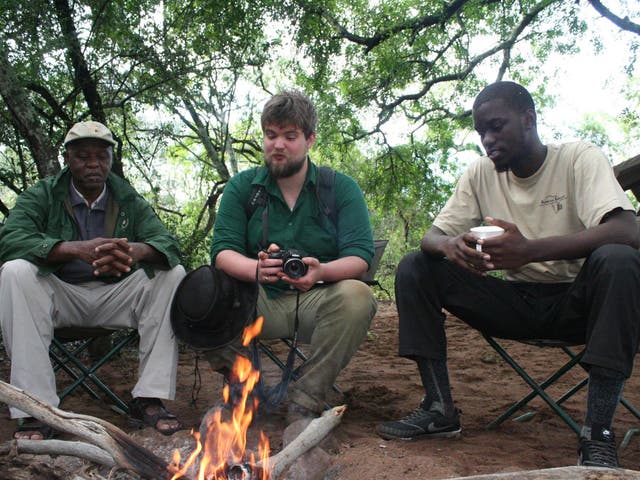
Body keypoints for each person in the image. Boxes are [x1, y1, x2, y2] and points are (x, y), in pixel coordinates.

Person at [376, 81, 640, 468]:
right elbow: (431, 235)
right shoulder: (480, 173)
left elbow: (628, 231)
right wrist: (452, 247)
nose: (488, 139)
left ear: (529, 120)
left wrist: (529, 250)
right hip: (515, 302)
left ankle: (597, 433)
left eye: (497, 126)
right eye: (482, 131)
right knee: (416, 265)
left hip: (583, 305)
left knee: (618, 259)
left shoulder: (578, 158)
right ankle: (438, 408)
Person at [0, 121, 186, 439]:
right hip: (60, 296)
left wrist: (134, 251)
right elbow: (10, 239)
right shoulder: (43, 195)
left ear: (110, 160)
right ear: (67, 159)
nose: (93, 164)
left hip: (114, 296)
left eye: (101, 156)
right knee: (15, 271)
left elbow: (168, 245)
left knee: (173, 274)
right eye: (83, 156)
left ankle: (149, 399)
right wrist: (72, 250)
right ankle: (36, 409)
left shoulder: (127, 198)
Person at [208, 90, 377, 421]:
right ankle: (244, 391)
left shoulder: (339, 188)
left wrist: (321, 271)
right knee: (202, 294)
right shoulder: (243, 188)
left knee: (358, 295)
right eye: (271, 135)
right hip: (256, 303)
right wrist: (256, 269)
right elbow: (222, 252)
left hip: (318, 301)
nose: (278, 145)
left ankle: (307, 397)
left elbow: (361, 256)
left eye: (290, 136)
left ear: (310, 139)